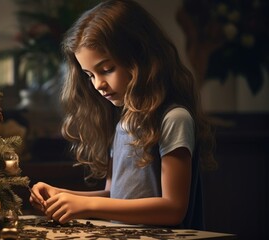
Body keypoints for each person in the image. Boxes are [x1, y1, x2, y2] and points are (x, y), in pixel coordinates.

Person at [29, 0, 217, 230]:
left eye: (106, 69)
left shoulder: (174, 119)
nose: (98, 84)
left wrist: (86, 205)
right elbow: (115, 196)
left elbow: (173, 208)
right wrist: (61, 195)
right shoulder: (122, 121)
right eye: (89, 75)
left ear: (139, 56)